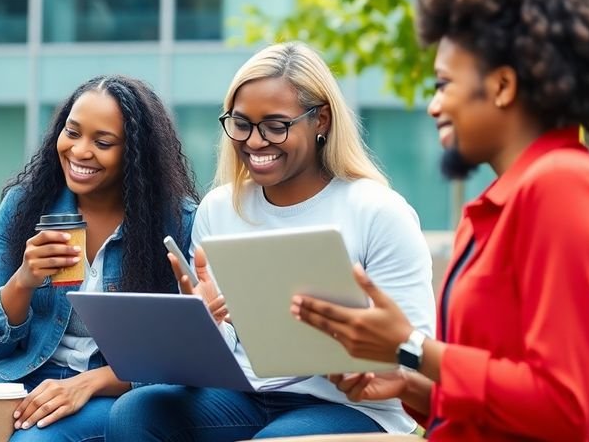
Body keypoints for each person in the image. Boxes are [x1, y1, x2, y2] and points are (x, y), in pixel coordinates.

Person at [292, 0, 589, 441]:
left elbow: (564, 407)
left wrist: (410, 346)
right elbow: (502, 405)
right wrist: (406, 383)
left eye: (443, 85)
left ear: (501, 87)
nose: (434, 106)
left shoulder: (564, 188)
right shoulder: (508, 200)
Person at [106, 42, 437, 440]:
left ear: (322, 121)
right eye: (242, 124)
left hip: (350, 405)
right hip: (246, 394)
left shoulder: (378, 211)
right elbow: (225, 349)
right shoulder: (220, 208)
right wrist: (205, 325)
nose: (255, 141)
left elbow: (415, 348)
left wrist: (363, 354)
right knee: (135, 413)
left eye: (276, 125)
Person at [0, 75, 199, 442]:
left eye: (103, 142)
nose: (79, 151)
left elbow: (188, 353)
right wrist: (24, 280)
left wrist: (91, 383)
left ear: (136, 154)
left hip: (117, 391)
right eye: (72, 132)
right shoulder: (24, 207)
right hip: (25, 375)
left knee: (34, 438)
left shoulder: (177, 222)